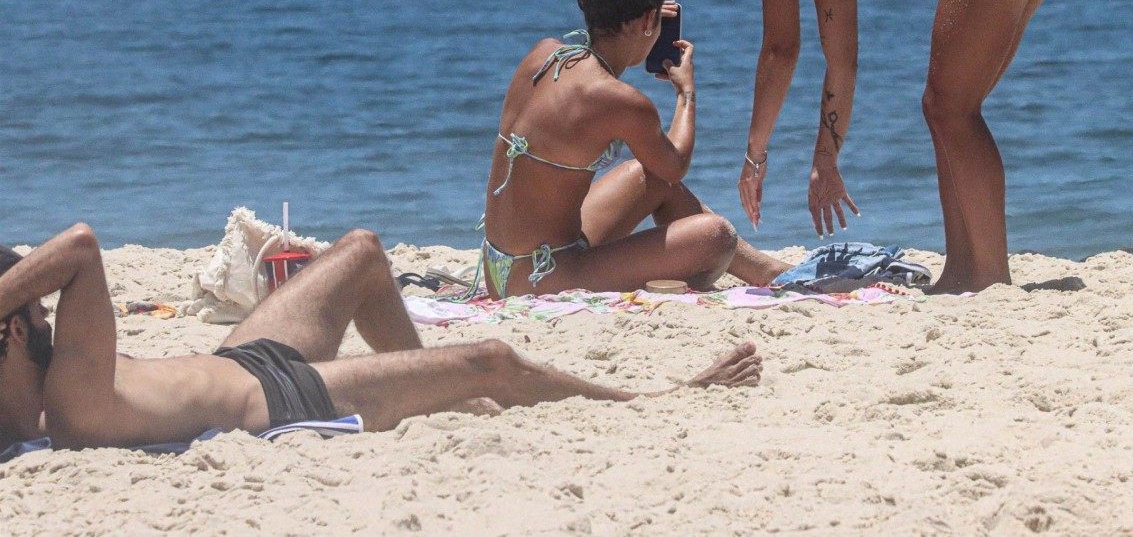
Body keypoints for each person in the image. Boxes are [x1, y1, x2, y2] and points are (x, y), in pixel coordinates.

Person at [683, 0, 1065, 292]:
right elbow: (841, 62)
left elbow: (781, 48)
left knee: (950, 107)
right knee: (948, 110)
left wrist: (754, 156)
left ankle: (989, 276)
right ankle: (966, 273)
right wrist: (826, 159)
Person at [0, 226, 762, 451]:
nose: (44, 314)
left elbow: (74, 256)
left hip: (244, 358)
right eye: (30, 310)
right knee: (490, 360)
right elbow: (81, 249)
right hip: (281, 399)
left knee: (361, 253)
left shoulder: (61, 377)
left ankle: (430, 386)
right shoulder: (65, 399)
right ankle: (655, 394)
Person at [478, 0, 794, 299]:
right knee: (715, 236)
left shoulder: (543, 54)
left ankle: (769, 271)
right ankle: (770, 273)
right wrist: (686, 93)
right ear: (648, 21)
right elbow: (676, 164)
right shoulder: (622, 100)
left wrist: (640, 21)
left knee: (647, 175)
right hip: (540, 278)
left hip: (499, 267)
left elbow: (659, 171)